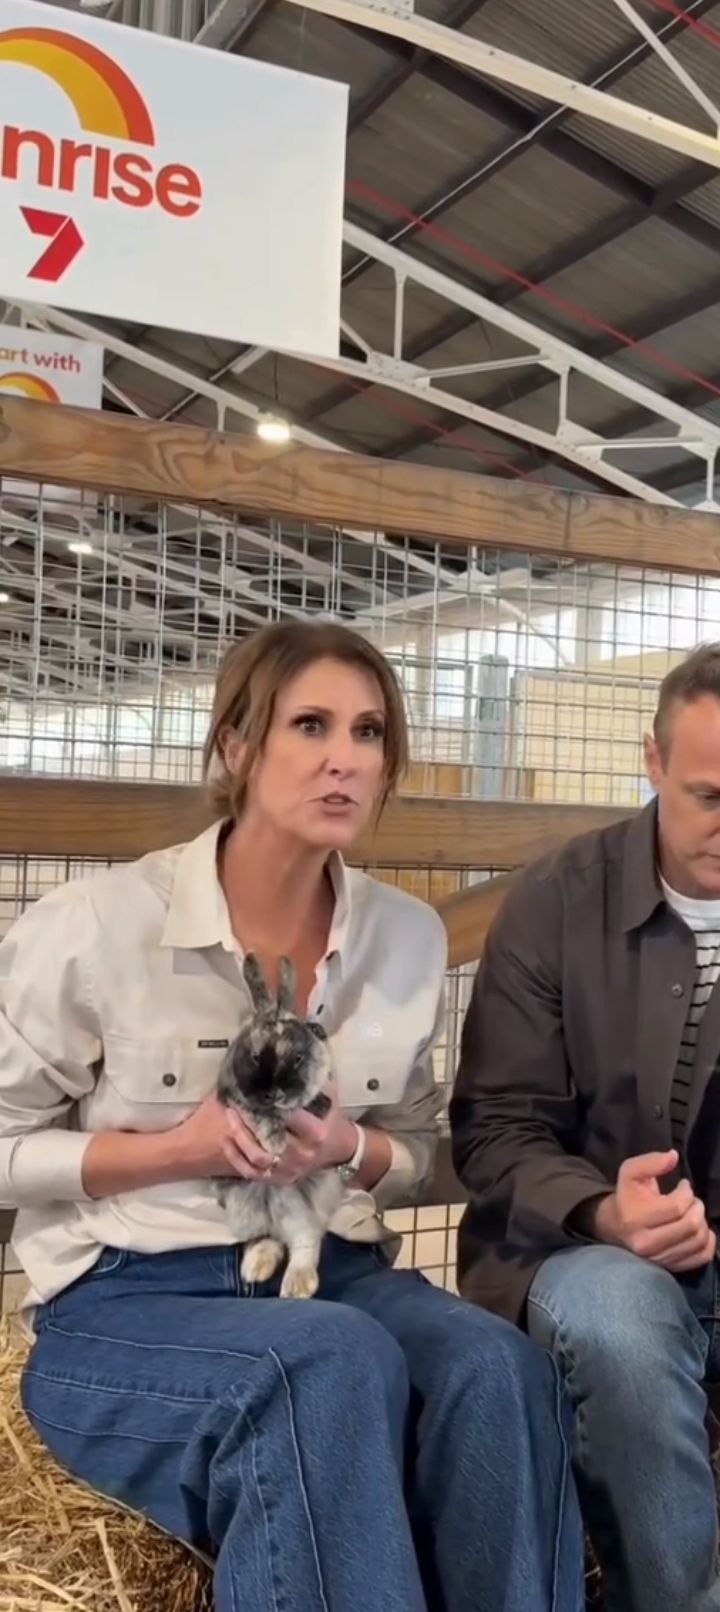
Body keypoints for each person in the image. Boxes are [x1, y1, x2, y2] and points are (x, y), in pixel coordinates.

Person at [0, 621, 583, 1612]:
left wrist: (349, 1146)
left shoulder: (405, 936)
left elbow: (420, 1150)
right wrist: (170, 1151)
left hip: (333, 1273)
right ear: (236, 745)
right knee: (326, 1362)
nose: (343, 758)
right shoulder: (97, 924)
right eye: (310, 725)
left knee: (497, 1368)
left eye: (368, 732)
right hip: (128, 1298)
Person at [450, 640, 720, 1612]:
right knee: (623, 1316)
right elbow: (493, 1127)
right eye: (709, 796)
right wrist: (606, 1211)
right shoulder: (557, 898)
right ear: (652, 761)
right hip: (572, 1252)